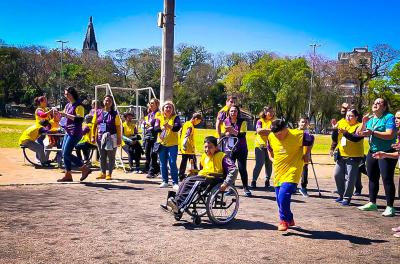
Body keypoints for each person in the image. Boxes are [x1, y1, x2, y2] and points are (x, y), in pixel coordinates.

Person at [165, 136, 238, 214]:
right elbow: (202, 170)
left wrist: (226, 184)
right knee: (185, 180)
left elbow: (234, 170)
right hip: (204, 177)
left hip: (214, 178)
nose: (207, 149)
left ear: (216, 147)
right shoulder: (204, 156)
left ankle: (179, 205)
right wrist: (193, 172)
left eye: (210, 147)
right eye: (205, 147)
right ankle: (174, 201)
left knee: (191, 181)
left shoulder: (222, 156)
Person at [267, 119, 314, 231]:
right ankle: (290, 219)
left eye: (279, 134)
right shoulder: (271, 136)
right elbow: (269, 147)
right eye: (275, 135)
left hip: (293, 170)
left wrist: (307, 153)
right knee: (279, 198)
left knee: (284, 194)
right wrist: (271, 157)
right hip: (278, 171)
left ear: (285, 129)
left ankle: (283, 221)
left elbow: (311, 139)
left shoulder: (297, 134)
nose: (277, 137)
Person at [357, 98, 397, 217]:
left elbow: (390, 135)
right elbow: (358, 133)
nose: (375, 104)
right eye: (374, 102)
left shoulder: (389, 117)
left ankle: (390, 207)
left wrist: (372, 133)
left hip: (386, 151)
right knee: (372, 177)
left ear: (384, 107)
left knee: (387, 178)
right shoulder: (371, 119)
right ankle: (372, 203)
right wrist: (363, 123)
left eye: (379, 103)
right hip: (372, 151)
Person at [57, 87, 91, 182]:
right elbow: (64, 117)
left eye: (67, 94)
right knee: (64, 153)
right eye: (65, 94)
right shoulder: (68, 105)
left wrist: (66, 115)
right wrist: (58, 115)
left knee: (66, 153)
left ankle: (84, 167)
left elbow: (79, 119)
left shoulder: (79, 106)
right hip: (68, 131)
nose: (66, 96)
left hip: (75, 132)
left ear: (72, 94)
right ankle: (68, 174)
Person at [333, 109, 364, 206]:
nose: (348, 117)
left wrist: (345, 132)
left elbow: (356, 138)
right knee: (337, 175)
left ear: (356, 117)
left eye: (351, 116)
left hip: (354, 156)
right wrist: (334, 130)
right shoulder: (341, 122)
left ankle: (347, 197)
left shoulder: (360, 126)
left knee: (350, 178)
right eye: (347, 115)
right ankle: (341, 195)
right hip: (341, 154)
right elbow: (334, 138)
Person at [223, 105, 251, 196]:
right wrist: (227, 133)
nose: (233, 113)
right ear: (228, 112)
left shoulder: (242, 122)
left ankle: (246, 188)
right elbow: (225, 133)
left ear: (238, 112)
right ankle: (231, 188)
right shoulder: (226, 121)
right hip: (230, 149)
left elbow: (242, 135)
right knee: (231, 169)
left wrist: (232, 131)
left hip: (241, 148)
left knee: (242, 168)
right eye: (231, 111)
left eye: (235, 111)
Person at [92, 95, 122, 180]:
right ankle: (103, 173)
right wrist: (93, 136)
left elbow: (118, 127)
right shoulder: (97, 112)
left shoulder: (115, 114)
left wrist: (119, 139)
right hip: (100, 137)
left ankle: (109, 174)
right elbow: (94, 125)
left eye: (109, 101)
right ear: (103, 101)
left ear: (112, 103)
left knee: (111, 156)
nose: (107, 102)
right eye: (106, 100)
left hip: (112, 137)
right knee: (102, 156)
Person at [154, 100, 182, 189]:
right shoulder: (159, 117)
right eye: (166, 107)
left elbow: (177, 127)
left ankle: (175, 183)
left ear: (173, 109)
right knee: (162, 163)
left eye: (170, 107)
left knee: (172, 162)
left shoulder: (175, 117)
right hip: (161, 144)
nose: (168, 109)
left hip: (172, 144)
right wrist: (162, 128)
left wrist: (170, 126)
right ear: (163, 108)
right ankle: (164, 181)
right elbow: (155, 128)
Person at [251, 106, 275, 189]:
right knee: (259, 164)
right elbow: (259, 131)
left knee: (269, 164)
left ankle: (267, 180)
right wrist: (270, 131)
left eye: (272, 111)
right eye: (269, 111)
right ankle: (253, 181)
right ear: (265, 112)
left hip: (271, 146)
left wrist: (265, 131)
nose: (271, 113)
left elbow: (276, 132)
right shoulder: (260, 121)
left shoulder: (274, 121)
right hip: (260, 146)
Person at [178, 112, 203, 180]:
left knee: (184, 162)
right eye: (198, 121)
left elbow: (180, 132)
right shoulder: (190, 125)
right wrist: (184, 143)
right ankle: (195, 176)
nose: (198, 123)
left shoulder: (186, 123)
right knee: (193, 162)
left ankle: (181, 175)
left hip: (185, 148)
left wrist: (181, 145)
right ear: (195, 119)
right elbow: (187, 134)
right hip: (189, 148)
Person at [297, 116, 314, 197]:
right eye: (302, 122)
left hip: (304, 155)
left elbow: (310, 145)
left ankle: (303, 188)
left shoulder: (308, 134)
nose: (304, 124)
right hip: (294, 156)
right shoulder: (294, 132)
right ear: (298, 122)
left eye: (306, 122)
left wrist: (308, 154)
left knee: (304, 172)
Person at [143, 98, 161, 178]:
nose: (151, 105)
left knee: (153, 154)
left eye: (153, 103)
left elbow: (154, 122)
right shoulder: (149, 114)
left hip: (155, 135)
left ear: (157, 104)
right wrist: (145, 123)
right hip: (148, 135)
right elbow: (145, 123)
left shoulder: (158, 113)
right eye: (150, 103)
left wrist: (148, 123)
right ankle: (157, 168)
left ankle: (152, 171)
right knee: (147, 153)